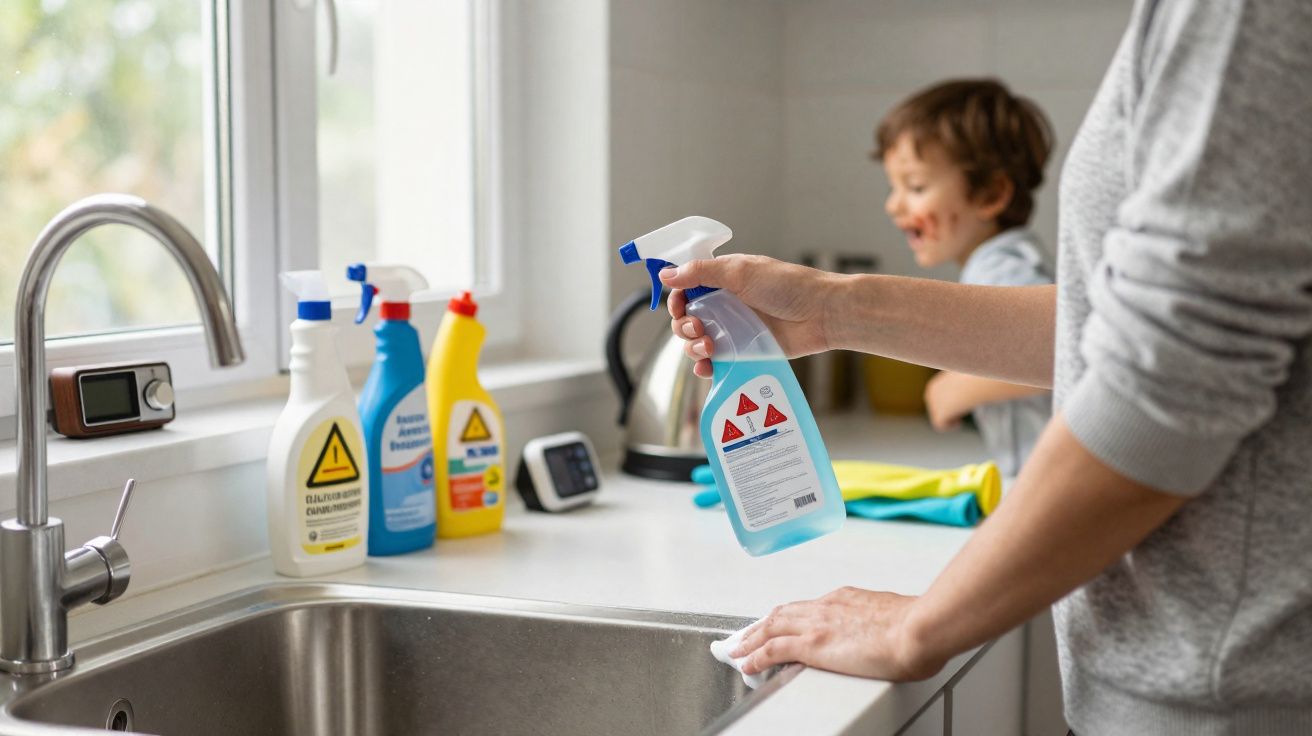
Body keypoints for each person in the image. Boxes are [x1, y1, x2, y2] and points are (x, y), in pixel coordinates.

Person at [660, 2, 1312, 733]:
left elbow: (1168, 384)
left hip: (1231, 692)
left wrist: (921, 625)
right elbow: (1109, 328)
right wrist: (830, 310)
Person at [877, 79, 1054, 476]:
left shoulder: (1002, 270)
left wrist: (953, 386)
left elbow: (1059, 353)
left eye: (916, 186)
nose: (894, 204)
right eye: (894, 187)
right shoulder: (1002, 263)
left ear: (990, 195)